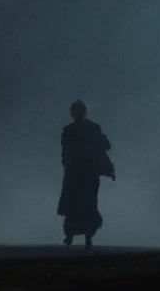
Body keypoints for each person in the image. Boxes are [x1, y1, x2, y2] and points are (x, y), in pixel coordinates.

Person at [56, 99, 115, 250]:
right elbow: (65, 150)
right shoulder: (69, 130)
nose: (78, 114)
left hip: (88, 173)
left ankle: (88, 237)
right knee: (72, 205)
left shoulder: (93, 128)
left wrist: (107, 168)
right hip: (74, 173)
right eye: (76, 111)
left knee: (89, 205)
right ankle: (70, 235)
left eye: (80, 111)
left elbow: (104, 147)